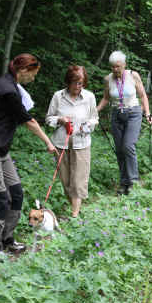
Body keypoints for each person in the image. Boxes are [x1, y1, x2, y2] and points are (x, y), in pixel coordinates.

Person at [0, 53, 56, 253]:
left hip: (1, 151)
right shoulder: (7, 89)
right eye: (33, 74)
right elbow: (29, 121)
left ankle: (7, 239)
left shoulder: (11, 85)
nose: (33, 79)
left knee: (16, 194)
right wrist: (48, 142)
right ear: (23, 70)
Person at [97, 51, 152, 195]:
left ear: (124, 65)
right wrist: (95, 110)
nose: (115, 70)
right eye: (113, 67)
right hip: (116, 114)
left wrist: (147, 113)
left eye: (118, 66)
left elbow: (143, 96)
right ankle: (124, 183)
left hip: (133, 112)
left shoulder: (133, 75)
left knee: (128, 146)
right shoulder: (108, 79)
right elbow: (106, 98)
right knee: (120, 150)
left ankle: (134, 182)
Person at [46, 65, 98, 217]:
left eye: (80, 83)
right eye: (74, 82)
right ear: (68, 82)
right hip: (61, 143)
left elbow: (94, 119)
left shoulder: (89, 97)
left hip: (81, 144)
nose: (77, 86)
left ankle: (74, 215)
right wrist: (60, 120)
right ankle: (75, 208)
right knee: (66, 181)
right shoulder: (58, 96)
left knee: (78, 180)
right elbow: (49, 118)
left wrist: (87, 126)